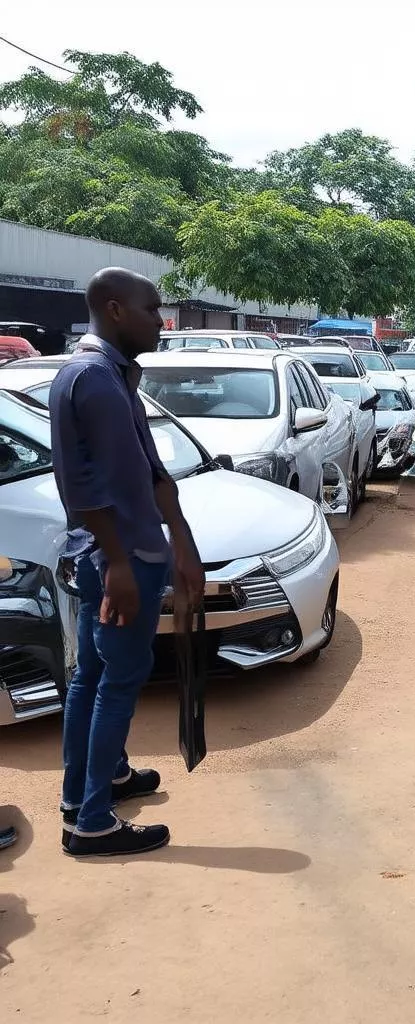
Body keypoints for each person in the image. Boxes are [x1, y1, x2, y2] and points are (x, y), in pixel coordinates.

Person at [49, 267, 204, 858]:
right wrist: (117, 562)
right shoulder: (93, 378)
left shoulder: (111, 374)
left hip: (123, 552)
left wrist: (181, 539)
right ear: (115, 309)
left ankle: (100, 783)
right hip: (122, 557)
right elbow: (83, 487)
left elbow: (147, 470)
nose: (161, 321)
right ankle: (91, 822)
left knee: (92, 676)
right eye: (151, 309)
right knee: (116, 682)